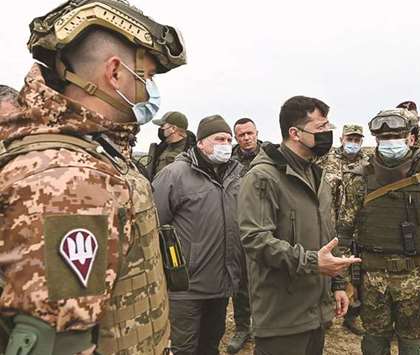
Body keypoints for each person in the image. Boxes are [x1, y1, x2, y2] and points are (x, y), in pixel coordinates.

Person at [0, 0, 186, 353]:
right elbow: (55, 342)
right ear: (114, 73)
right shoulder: (68, 179)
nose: (149, 91)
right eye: (145, 77)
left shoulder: (100, 151)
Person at [238, 95, 361, 355]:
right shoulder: (262, 177)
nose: (328, 133)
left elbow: (327, 235)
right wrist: (313, 262)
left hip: (315, 313)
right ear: (295, 133)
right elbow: (256, 241)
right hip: (281, 317)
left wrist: (337, 285)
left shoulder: (316, 176)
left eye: (329, 126)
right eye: (320, 127)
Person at [340, 108, 420, 355]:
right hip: (372, 282)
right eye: (383, 139)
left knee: (412, 341)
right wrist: (344, 282)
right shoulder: (358, 181)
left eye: (396, 137)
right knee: (373, 340)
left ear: (411, 138)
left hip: (416, 282)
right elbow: (343, 234)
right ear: (375, 140)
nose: (390, 143)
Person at [153, 115, 243, 355]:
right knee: (183, 348)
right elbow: (154, 225)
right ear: (201, 142)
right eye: (219, 138)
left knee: (210, 344)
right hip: (186, 287)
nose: (226, 144)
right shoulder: (174, 175)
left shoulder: (236, 175)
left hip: (222, 284)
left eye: (228, 139)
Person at [317, 124, 369, 336]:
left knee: (354, 272)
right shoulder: (326, 159)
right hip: (329, 225)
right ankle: (326, 313)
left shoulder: (368, 163)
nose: (353, 143)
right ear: (341, 138)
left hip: (358, 227)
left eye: (357, 139)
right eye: (350, 138)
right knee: (327, 270)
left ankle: (351, 315)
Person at [227, 117, 262, 354]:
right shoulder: (228, 160)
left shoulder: (271, 156)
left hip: (266, 227)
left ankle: (264, 327)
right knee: (239, 281)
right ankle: (242, 327)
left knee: (266, 280)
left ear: (256, 132)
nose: (246, 138)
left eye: (250, 133)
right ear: (236, 137)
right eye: (241, 135)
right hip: (239, 228)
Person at [146, 110, 196, 180]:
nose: (160, 129)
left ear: (173, 129)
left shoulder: (191, 153)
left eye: (162, 126)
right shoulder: (162, 147)